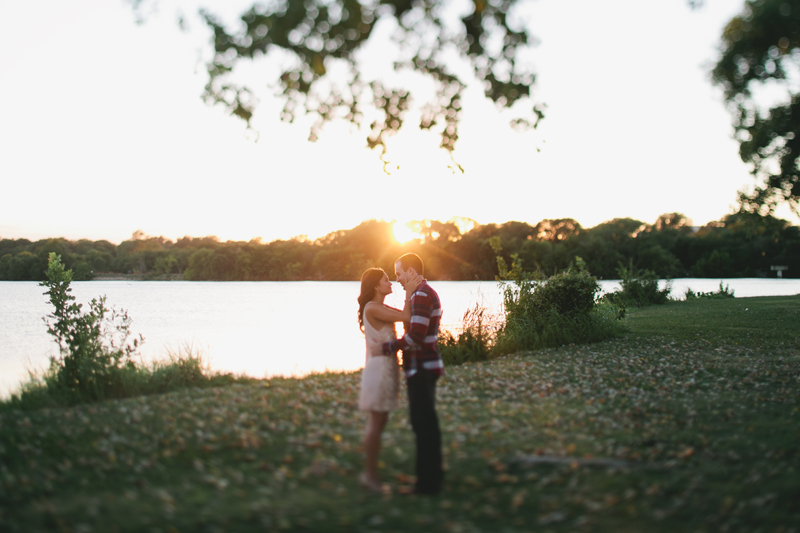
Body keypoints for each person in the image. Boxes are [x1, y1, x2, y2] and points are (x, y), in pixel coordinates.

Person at [381, 253, 444, 495]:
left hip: (422, 367)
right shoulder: (422, 293)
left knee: (423, 425)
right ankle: (430, 478)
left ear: (410, 271)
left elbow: (416, 335)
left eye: (398, 274)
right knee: (425, 423)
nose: (397, 279)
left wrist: (389, 346)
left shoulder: (421, 295)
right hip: (422, 366)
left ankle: (427, 485)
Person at [356, 267, 422, 492]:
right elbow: (406, 315)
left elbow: (405, 316)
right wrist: (409, 291)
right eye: (386, 280)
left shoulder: (380, 307)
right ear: (376, 286)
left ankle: (372, 471)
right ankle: (369, 475)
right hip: (379, 370)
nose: (390, 282)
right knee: (376, 423)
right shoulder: (372, 308)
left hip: (388, 368)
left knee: (381, 422)